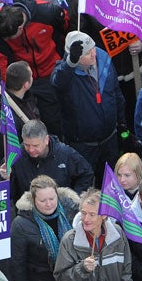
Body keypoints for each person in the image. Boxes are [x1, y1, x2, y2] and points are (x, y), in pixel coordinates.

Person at [51, 30, 128, 180]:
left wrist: (122, 122)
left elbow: (116, 94)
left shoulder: (103, 58)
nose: (93, 54)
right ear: (75, 58)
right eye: (87, 53)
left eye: (93, 48)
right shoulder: (66, 74)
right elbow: (57, 83)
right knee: (87, 184)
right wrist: (69, 64)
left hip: (109, 139)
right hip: (84, 146)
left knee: (112, 180)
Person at [10, 175, 80, 281]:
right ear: (33, 200)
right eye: (43, 201)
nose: (49, 204)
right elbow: (18, 266)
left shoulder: (71, 213)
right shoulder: (21, 224)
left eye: (52, 199)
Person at [8, 119, 94, 201]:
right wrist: (6, 178)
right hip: (28, 211)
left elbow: (86, 174)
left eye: (35, 146)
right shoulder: (15, 156)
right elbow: (10, 194)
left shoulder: (65, 153)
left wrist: (73, 199)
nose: (31, 150)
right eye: (26, 145)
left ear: (46, 140)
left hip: (61, 209)